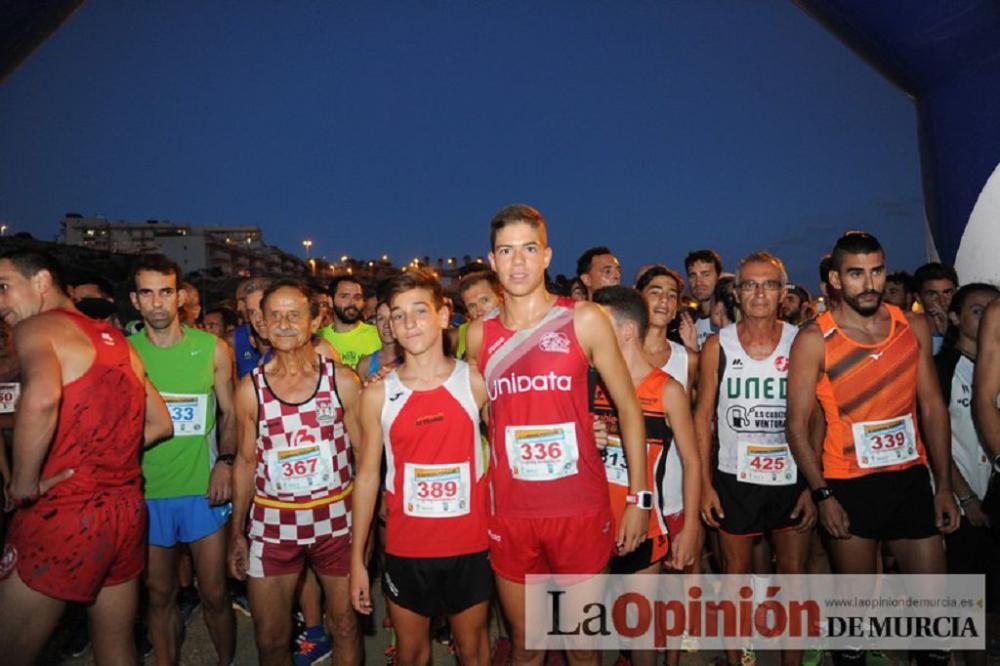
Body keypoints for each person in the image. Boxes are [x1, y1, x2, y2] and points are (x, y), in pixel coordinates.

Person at [465, 204, 650, 664]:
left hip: (580, 511)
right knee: (527, 647)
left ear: (547, 256)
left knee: (582, 648)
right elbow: (465, 416)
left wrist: (639, 499)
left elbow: (629, 408)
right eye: (506, 251)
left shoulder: (584, 319)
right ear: (492, 262)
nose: (519, 261)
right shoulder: (476, 335)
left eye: (529, 249)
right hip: (511, 513)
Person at [786, 231, 958, 666]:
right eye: (856, 273)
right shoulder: (814, 339)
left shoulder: (911, 325)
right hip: (849, 485)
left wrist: (943, 486)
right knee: (855, 622)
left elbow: (934, 408)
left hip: (911, 481)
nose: (869, 283)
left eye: (876, 271)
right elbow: (796, 427)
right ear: (836, 279)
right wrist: (822, 493)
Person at [0, 249, 172, 666]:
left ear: (41, 282)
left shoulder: (39, 327)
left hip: (65, 511)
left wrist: (23, 483)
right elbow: (160, 423)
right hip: (125, 509)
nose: (0, 302)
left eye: (4, 287)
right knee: (115, 646)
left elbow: (40, 399)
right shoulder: (115, 340)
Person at [351, 269, 491, 666]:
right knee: (411, 655)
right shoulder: (378, 393)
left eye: (419, 311)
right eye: (398, 314)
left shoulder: (475, 382)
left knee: (474, 652)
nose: (409, 323)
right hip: (407, 548)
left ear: (444, 315)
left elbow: (504, 449)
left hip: (470, 545)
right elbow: (366, 478)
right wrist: (357, 560)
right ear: (389, 324)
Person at [229, 279, 362, 666]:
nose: (285, 324)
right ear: (262, 325)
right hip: (273, 523)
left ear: (313, 322)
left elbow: (364, 455)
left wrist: (366, 526)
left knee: (346, 627)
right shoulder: (249, 389)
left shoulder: (342, 381)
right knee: (271, 639)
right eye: (276, 317)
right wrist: (237, 531)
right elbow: (245, 461)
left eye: (294, 315)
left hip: (336, 520)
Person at [694, 251, 814, 666]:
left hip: (791, 477)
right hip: (734, 478)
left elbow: (818, 418)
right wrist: (705, 486)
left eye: (769, 284)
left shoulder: (802, 342)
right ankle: (740, 656)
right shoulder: (717, 345)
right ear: (737, 294)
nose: (759, 293)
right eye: (750, 284)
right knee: (734, 577)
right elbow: (703, 417)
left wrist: (815, 487)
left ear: (783, 292)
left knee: (793, 578)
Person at [128, 254, 237, 666]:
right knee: (159, 595)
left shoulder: (212, 348)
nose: (157, 302)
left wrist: (225, 461)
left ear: (180, 297)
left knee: (213, 592)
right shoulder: (125, 353)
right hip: (148, 491)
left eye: (165, 292)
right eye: (147, 292)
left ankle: (225, 661)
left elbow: (229, 413)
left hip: (200, 489)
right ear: (135, 301)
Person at [591, 286, 702, 665]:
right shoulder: (590, 384)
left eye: (598, 325)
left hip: (644, 525)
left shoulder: (668, 390)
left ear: (623, 331)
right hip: (590, 526)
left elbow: (692, 460)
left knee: (638, 626)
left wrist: (689, 528)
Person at [935, 283, 1000, 666]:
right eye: (978, 310)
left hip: (994, 494)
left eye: (992, 307)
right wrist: (964, 496)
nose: (988, 315)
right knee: (967, 590)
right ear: (956, 318)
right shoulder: (943, 370)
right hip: (964, 500)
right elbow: (935, 439)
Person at [319, 276, 382, 369]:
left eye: (357, 297)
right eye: (344, 296)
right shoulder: (318, 339)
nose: (352, 303)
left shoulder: (379, 336)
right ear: (330, 301)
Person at [454, 270, 503, 360]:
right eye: (472, 306)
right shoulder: (461, 336)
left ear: (501, 297)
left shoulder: (521, 330)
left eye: (484, 300)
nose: (479, 311)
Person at [914, 262, 959, 354]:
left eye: (947, 292)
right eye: (932, 294)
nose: (942, 301)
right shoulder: (909, 333)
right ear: (918, 297)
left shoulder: (967, 331)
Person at [684, 249, 723, 349]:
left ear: (719, 276)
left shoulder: (732, 319)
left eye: (705, 274)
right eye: (693, 276)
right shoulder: (688, 324)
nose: (698, 282)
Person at [357, 300, 401, 381]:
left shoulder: (412, 360)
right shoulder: (365, 365)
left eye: (391, 317)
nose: (386, 325)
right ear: (376, 324)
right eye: (381, 318)